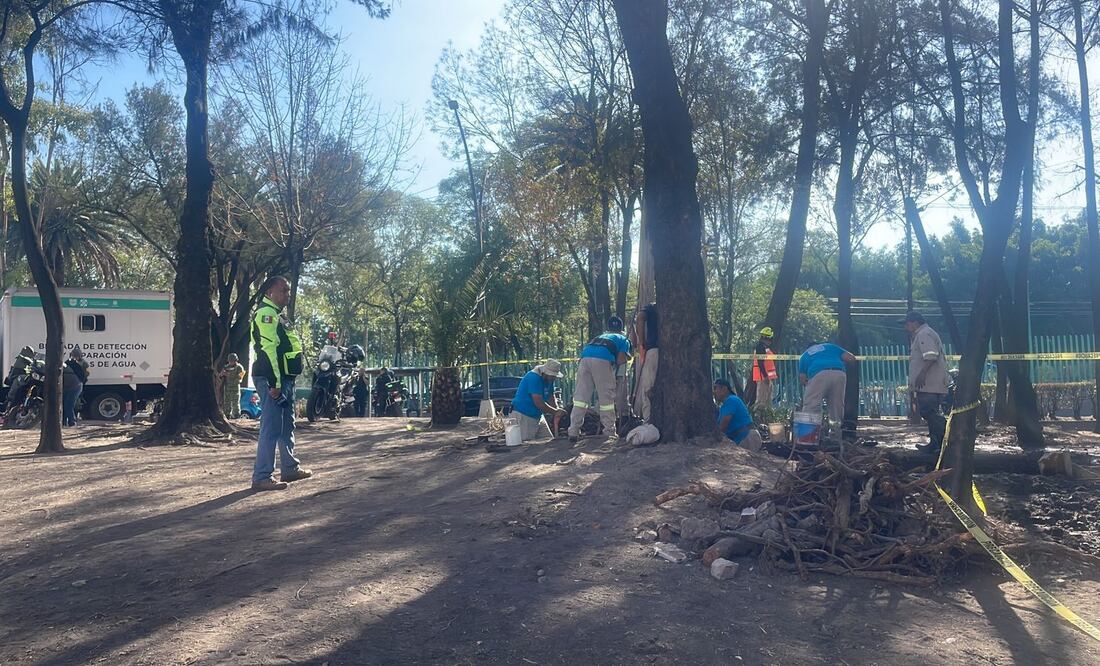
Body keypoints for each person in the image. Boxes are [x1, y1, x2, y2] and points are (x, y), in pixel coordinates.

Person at [250, 276, 311, 491]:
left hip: (284, 378)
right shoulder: (266, 314)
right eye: (283, 290)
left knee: (286, 424)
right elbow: (268, 351)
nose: (288, 294)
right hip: (271, 378)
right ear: (269, 293)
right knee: (271, 426)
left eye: (288, 290)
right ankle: (262, 476)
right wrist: (274, 383)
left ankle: (289, 468)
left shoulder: (278, 315)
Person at [568, 316, 631, 442]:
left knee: (581, 397)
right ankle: (609, 431)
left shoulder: (601, 336)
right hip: (602, 361)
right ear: (621, 329)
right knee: (606, 398)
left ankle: (573, 430)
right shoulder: (623, 339)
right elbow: (620, 359)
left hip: (584, 359)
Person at [902, 311, 949, 455]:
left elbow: (931, 356)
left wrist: (922, 374)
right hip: (930, 382)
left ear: (915, 322)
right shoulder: (924, 333)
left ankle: (946, 435)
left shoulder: (924, 334)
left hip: (929, 382)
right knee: (929, 411)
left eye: (907, 323)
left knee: (928, 411)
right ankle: (935, 444)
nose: (906, 327)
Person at [798, 341, 858, 431]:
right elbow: (851, 358)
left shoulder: (805, 355)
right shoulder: (830, 346)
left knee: (812, 404)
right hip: (839, 373)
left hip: (818, 374)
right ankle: (835, 433)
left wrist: (811, 387)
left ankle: (810, 433)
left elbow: (802, 379)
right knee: (836, 405)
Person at [510, 359, 567, 441]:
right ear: (546, 373)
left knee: (547, 441)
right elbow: (538, 402)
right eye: (553, 376)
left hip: (537, 415)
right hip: (524, 415)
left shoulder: (549, 380)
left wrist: (557, 409)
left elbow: (551, 396)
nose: (554, 378)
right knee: (526, 445)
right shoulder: (533, 377)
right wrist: (555, 412)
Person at [632, 302, 659, 421]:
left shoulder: (652, 307)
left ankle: (648, 421)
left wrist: (642, 343)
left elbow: (640, 317)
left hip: (654, 350)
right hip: (674, 352)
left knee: (648, 388)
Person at [714, 378, 756, 446]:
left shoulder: (731, 400)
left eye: (716, 388)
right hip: (742, 437)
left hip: (747, 437)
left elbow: (724, 424)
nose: (714, 391)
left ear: (724, 389)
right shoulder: (724, 406)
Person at [61, 347, 89, 427]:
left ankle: (71, 422)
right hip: (72, 385)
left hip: (75, 386)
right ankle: (64, 422)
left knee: (69, 405)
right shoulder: (71, 363)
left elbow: (84, 376)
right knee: (66, 404)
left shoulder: (81, 364)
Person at [753, 327, 779, 409]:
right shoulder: (760, 348)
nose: (771, 341)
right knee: (761, 402)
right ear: (767, 338)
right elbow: (760, 363)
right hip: (763, 378)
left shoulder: (765, 348)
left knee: (768, 402)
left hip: (766, 378)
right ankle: (758, 419)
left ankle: (767, 419)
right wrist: (765, 376)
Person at [218, 353, 245, 419]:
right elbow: (220, 376)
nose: (231, 362)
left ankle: (236, 416)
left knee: (235, 404)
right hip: (227, 388)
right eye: (230, 361)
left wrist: (229, 375)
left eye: (233, 361)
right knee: (227, 403)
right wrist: (222, 374)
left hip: (235, 389)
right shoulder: (226, 367)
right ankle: (227, 415)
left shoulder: (240, 367)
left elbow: (240, 379)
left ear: (236, 360)